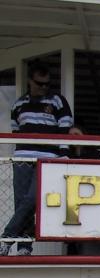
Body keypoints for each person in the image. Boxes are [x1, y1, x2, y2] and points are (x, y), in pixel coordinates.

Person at [0, 61, 73, 257]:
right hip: (22, 157)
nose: (43, 88)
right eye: (40, 84)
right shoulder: (19, 104)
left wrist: (63, 153)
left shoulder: (57, 101)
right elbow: (16, 133)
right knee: (21, 201)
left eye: (47, 84)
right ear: (30, 82)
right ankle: (24, 245)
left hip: (47, 158)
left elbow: (65, 129)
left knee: (32, 199)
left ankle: (6, 238)